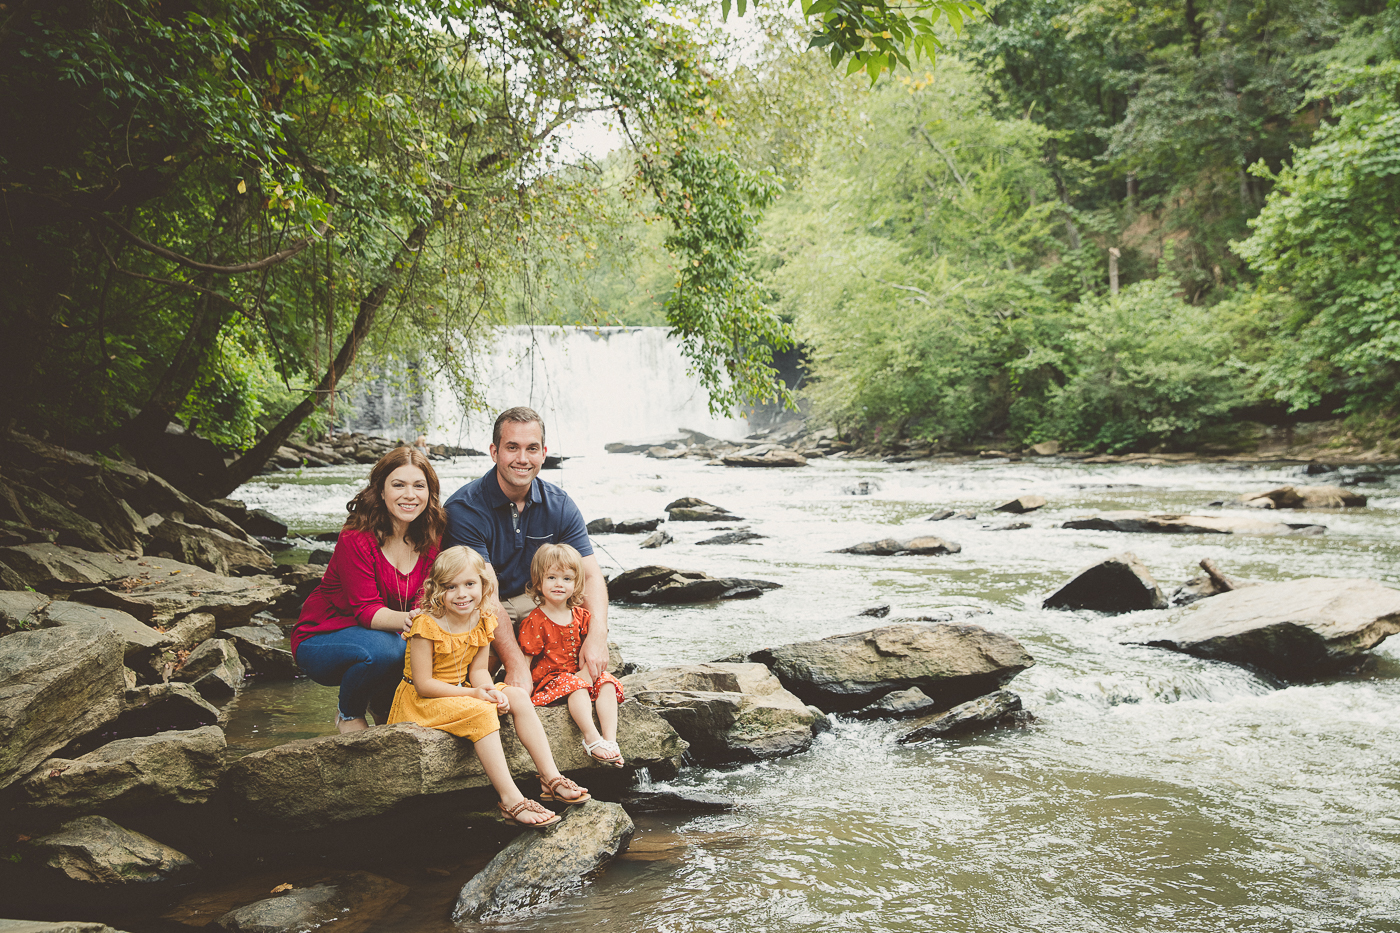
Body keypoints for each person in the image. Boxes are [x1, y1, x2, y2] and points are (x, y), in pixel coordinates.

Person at [388, 546, 590, 826]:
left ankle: (550, 777)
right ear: (436, 589)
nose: (462, 594)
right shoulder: (426, 625)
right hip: (423, 701)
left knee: (518, 696)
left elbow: (479, 671)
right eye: (450, 586)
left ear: (483, 585)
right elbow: (424, 685)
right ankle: (511, 799)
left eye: (470, 584)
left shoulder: (483, 618)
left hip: (465, 688)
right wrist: (475, 694)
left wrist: (492, 691)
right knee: (482, 711)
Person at [442, 406, 609, 692]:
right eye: (512, 448)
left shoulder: (559, 504)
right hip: (480, 608)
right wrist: (518, 666)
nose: (522, 458)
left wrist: (597, 637)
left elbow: (591, 576)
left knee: (579, 618)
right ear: (494, 452)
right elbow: (486, 594)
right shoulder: (464, 509)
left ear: (543, 453)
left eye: (531, 448)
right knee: (471, 677)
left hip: (536, 603)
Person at [291, 447, 444, 734]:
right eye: (398, 485)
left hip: (389, 637)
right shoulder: (357, 537)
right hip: (323, 638)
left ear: (430, 493)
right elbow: (366, 611)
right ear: (381, 491)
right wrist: (416, 621)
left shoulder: (431, 536)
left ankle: (383, 706)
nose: (409, 495)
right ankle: (348, 713)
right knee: (392, 649)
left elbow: (423, 597)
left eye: (419, 486)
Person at [518, 543, 625, 768]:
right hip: (551, 682)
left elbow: (590, 652)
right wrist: (522, 693)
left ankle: (610, 741)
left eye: (567, 579)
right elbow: (525, 662)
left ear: (577, 584)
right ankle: (591, 738)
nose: (559, 584)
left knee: (607, 683)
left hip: (578, 675)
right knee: (576, 687)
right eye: (552, 578)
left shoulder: (581, 616)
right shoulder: (535, 621)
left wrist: (589, 676)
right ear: (538, 581)